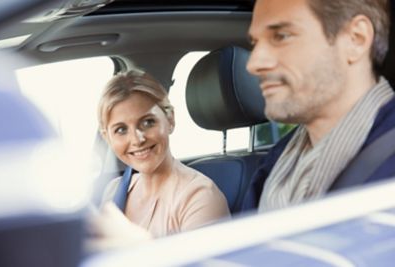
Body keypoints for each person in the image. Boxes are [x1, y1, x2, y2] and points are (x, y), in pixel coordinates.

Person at [242, 0, 395, 212]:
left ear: (356, 39)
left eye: (281, 36)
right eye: (254, 43)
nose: (253, 64)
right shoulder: (273, 167)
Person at [92, 69, 230, 241]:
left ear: (170, 119)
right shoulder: (114, 190)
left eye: (148, 122)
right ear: (107, 137)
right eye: (121, 130)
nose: (137, 139)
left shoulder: (200, 197)